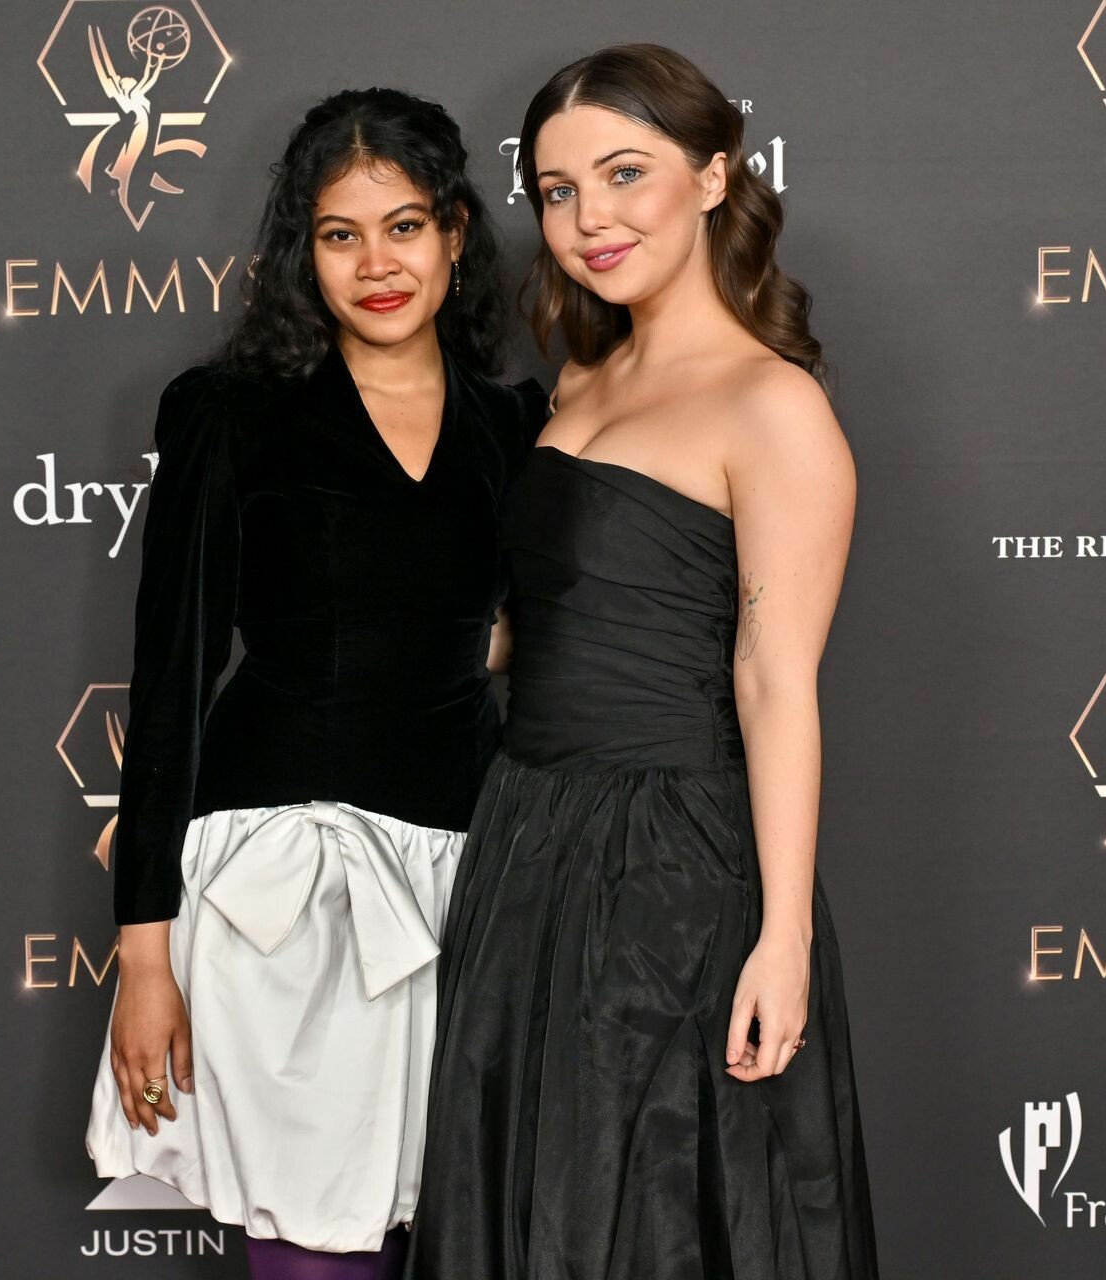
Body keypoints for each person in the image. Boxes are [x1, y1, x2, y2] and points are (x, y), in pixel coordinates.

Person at [406, 45, 879, 1280]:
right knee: (533, 1202)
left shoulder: (772, 405)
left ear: (715, 176)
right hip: (526, 838)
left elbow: (776, 682)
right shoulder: (579, 380)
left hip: (676, 866)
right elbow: (545, 621)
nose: (588, 220)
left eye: (625, 174)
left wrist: (782, 934)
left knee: (654, 1213)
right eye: (558, 191)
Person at [84, 87, 547, 1280]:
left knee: (462, 1239)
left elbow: (510, 628)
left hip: (466, 878)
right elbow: (172, 677)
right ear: (304, 251)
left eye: (405, 226)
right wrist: (145, 958)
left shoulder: (518, 422)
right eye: (341, 234)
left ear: (455, 230)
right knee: (315, 1255)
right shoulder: (232, 413)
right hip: (284, 891)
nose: (376, 264)